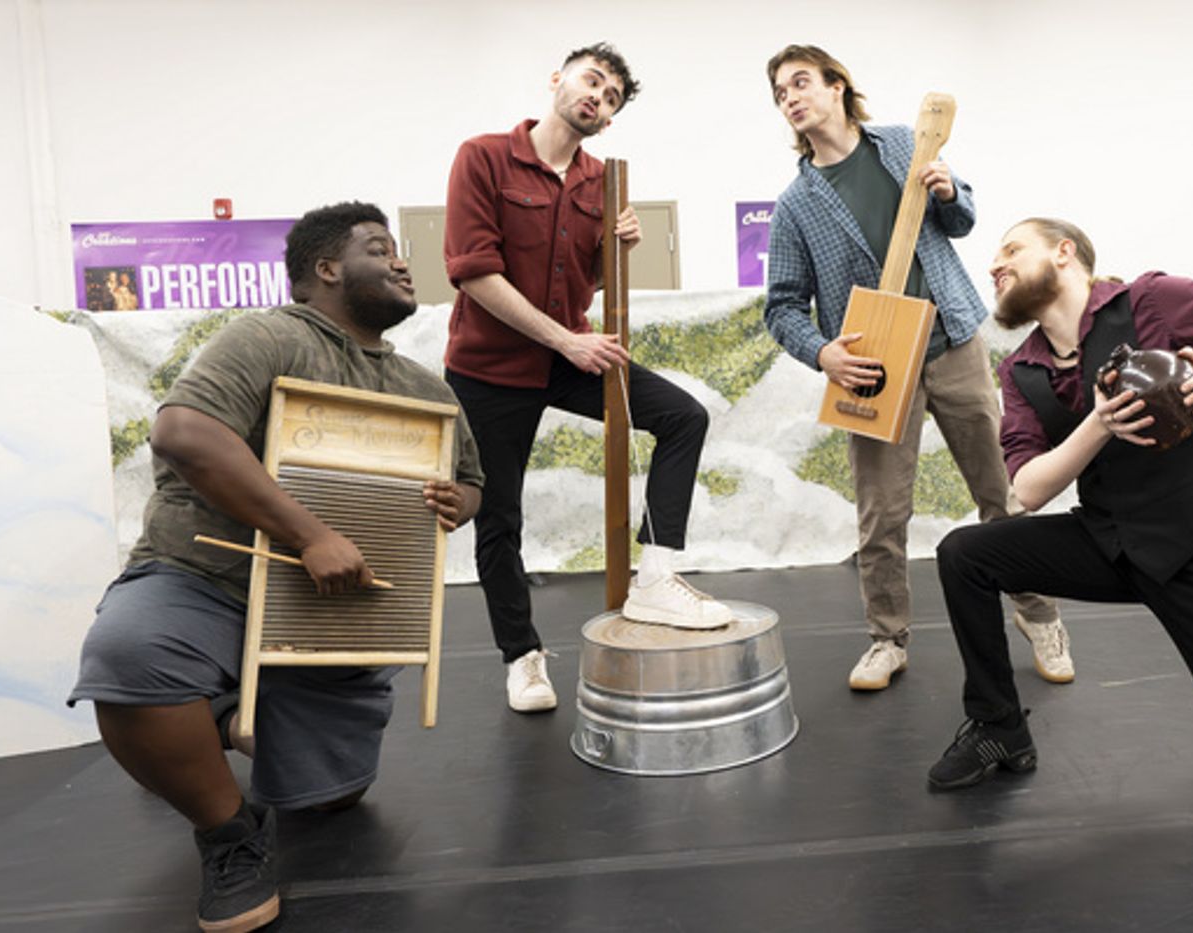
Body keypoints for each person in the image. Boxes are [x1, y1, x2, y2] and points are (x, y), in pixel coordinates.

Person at [68, 201, 485, 931]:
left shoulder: (426, 388)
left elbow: (471, 482)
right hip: (206, 577)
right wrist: (309, 533)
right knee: (128, 658)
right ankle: (229, 833)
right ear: (326, 269)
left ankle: (225, 713)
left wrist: (460, 500)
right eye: (378, 248)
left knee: (329, 801)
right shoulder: (268, 336)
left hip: (333, 611)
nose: (400, 261)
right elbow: (185, 432)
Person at [926, 217, 1193, 790]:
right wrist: (1097, 423)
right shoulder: (1021, 371)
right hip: (1108, 545)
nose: (995, 264)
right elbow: (1027, 490)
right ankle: (1000, 727)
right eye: (995, 257)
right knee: (964, 554)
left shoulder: (1149, 302)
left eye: (1012, 249)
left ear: (1064, 253)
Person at [762, 45, 1072, 692]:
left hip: (954, 341)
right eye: (780, 92)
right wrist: (823, 352)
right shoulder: (795, 205)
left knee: (1002, 494)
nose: (791, 98)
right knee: (881, 515)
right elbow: (783, 307)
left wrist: (951, 190)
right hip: (873, 366)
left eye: (801, 83)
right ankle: (887, 638)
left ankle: (1038, 615)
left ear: (837, 86)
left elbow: (960, 220)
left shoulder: (905, 144)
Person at [444, 41, 732, 714]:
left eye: (610, 99)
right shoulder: (483, 156)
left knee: (683, 416)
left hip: (567, 356)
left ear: (609, 120)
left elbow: (583, 279)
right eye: (592, 82)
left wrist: (615, 254)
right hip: (490, 369)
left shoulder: (602, 181)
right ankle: (521, 657)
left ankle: (656, 575)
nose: (597, 98)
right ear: (558, 80)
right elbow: (474, 272)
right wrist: (567, 340)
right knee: (499, 517)